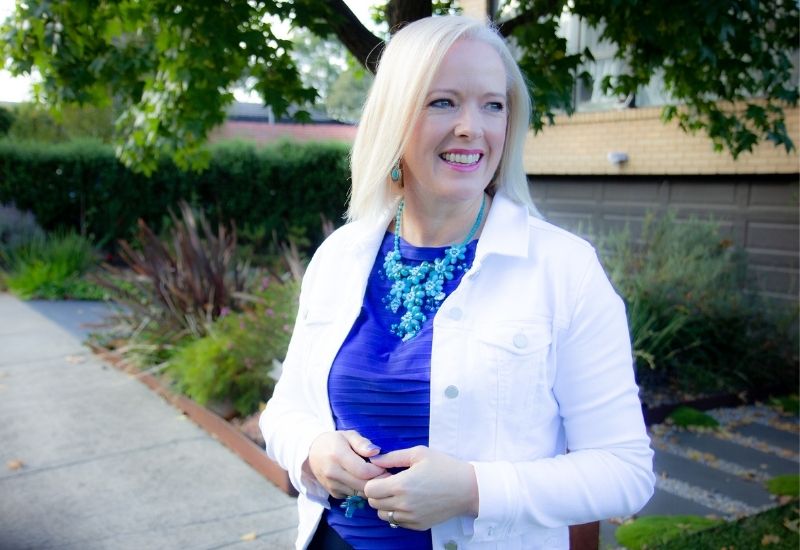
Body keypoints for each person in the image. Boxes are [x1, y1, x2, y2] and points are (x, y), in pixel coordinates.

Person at [260, 15, 655, 550]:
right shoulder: (340, 256)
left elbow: (625, 471)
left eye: (493, 104)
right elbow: (283, 411)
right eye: (443, 101)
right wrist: (311, 450)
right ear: (394, 117)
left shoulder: (565, 269)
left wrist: (475, 490)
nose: (473, 126)